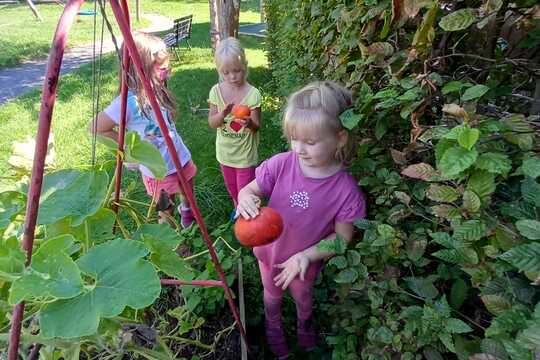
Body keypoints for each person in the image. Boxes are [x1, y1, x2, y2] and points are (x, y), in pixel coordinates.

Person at [237, 81, 366, 358]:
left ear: (340, 138)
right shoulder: (282, 164)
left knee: (302, 297)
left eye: (310, 142)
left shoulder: (345, 191)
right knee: (271, 293)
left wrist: (308, 256)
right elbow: (251, 189)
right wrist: (245, 197)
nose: (299, 149)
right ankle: (273, 326)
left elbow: (342, 240)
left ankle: (304, 325)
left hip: (304, 260)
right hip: (270, 252)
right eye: (294, 138)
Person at [90, 31, 196, 228]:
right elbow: (96, 128)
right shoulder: (128, 103)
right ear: (139, 68)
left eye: (166, 64)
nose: (166, 68)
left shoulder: (156, 88)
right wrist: (131, 152)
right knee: (166, 210)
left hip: (180, 157)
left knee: (188, 192)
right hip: (157, 170)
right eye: (159, 65)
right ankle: (176, 244)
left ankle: (188, 215)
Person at [208, 37, 262, 212]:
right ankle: (239, 214)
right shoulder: (216, 92)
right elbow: (212, 123)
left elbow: (257, 126)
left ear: (245, 66)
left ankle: (250, 224)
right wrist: (223, 113)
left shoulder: (253, 95)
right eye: (226, 72)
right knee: (233, 191)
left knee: (245, 194)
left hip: (245, 157)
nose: (232, 77)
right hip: (225, 154)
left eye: (237, 71)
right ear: (219, 70)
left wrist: (249, 123)